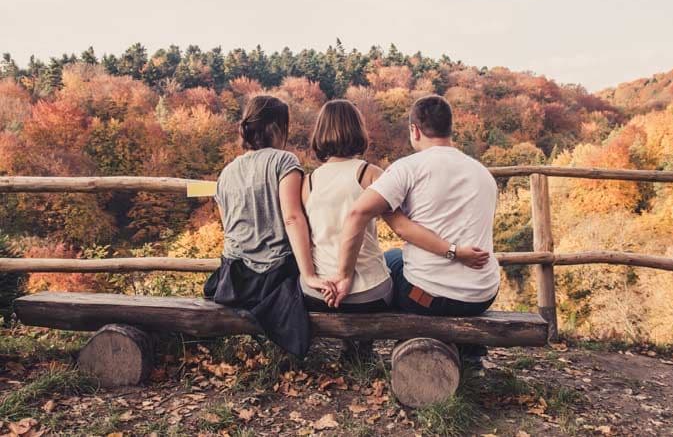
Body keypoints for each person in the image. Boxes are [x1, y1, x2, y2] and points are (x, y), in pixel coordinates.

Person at [333, 95, 499, 322]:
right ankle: (470, 350)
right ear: (450, 129)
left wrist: (343, 276)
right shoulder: (483, 173)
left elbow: (357, 213)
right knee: (399, 259)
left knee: (389, 260)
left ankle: (363, 344)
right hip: (482, 296)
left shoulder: (407, 168)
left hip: (428, 298)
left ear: (415, 130)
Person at [300, 99, 469, 315]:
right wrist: (452, 251)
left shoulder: (307, 182)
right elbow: (402, 225)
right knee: (395, 258)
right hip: (369, 295)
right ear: (357, 130)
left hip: (318, 293)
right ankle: (363, 344)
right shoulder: (370, 174)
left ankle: (354, 346)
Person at [204, 95, 334, 357]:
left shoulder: (226, 172)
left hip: (234, 279)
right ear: (276, 127)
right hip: (271, 278)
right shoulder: (284, 162)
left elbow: (229, 228)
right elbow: (292, 217)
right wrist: (309, 275)